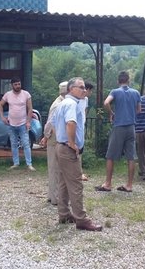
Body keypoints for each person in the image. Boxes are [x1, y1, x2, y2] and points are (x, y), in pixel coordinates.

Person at [52, 77, 102, 231]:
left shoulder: (61, 104)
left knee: (63, 183)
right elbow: (71, 123)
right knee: (76, 185)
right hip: (68, 149)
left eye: (84, 87)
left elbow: (53, 124)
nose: (84, 90)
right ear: (71, 88)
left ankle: (64, 214)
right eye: (80, 87)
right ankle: (81, 219)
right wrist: (73, 143)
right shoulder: (72, 104)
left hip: (60, 147)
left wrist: (62, 140)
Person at [96, 71, 141, 193]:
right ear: (128, 80)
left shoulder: (115, 92)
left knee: (110, 155)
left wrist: (111, 113)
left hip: (119, 126)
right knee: (131, 156)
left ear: (118, 81)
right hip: (131, 127)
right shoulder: (136, 93)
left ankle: (108, 183)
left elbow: (106, 102)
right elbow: (139, 110)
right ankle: (129, 185)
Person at [40, 81, 68, 205]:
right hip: (55, 139)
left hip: (55, 138)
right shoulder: (58, 105)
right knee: (55, 168)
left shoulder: (60, 102)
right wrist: (46, 137)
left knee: (55, 168)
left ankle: (53, 196)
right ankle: (55, 198)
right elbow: (50, 123)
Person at [0, 77, 35, 171]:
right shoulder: (8, 95)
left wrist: (28, 122)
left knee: (26, 144)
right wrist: (2, 117)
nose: (18, 86)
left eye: (19, 84)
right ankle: (16, 163)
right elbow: (0, 105)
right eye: (16, 84)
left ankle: (29, 164)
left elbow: (30, 109)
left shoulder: (26, 94)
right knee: (13, 144)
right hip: (11, 124)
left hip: (23, 123)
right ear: (12, 85)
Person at [77, 81, 94, 181]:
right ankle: (77, 172)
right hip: (76, 127)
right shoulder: (76, 100)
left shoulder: (86, 100)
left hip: (82, 126)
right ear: (86, 90)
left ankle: (80, 171)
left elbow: (85, 111)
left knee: (81, 150)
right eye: (90, 90)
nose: (90, 93)